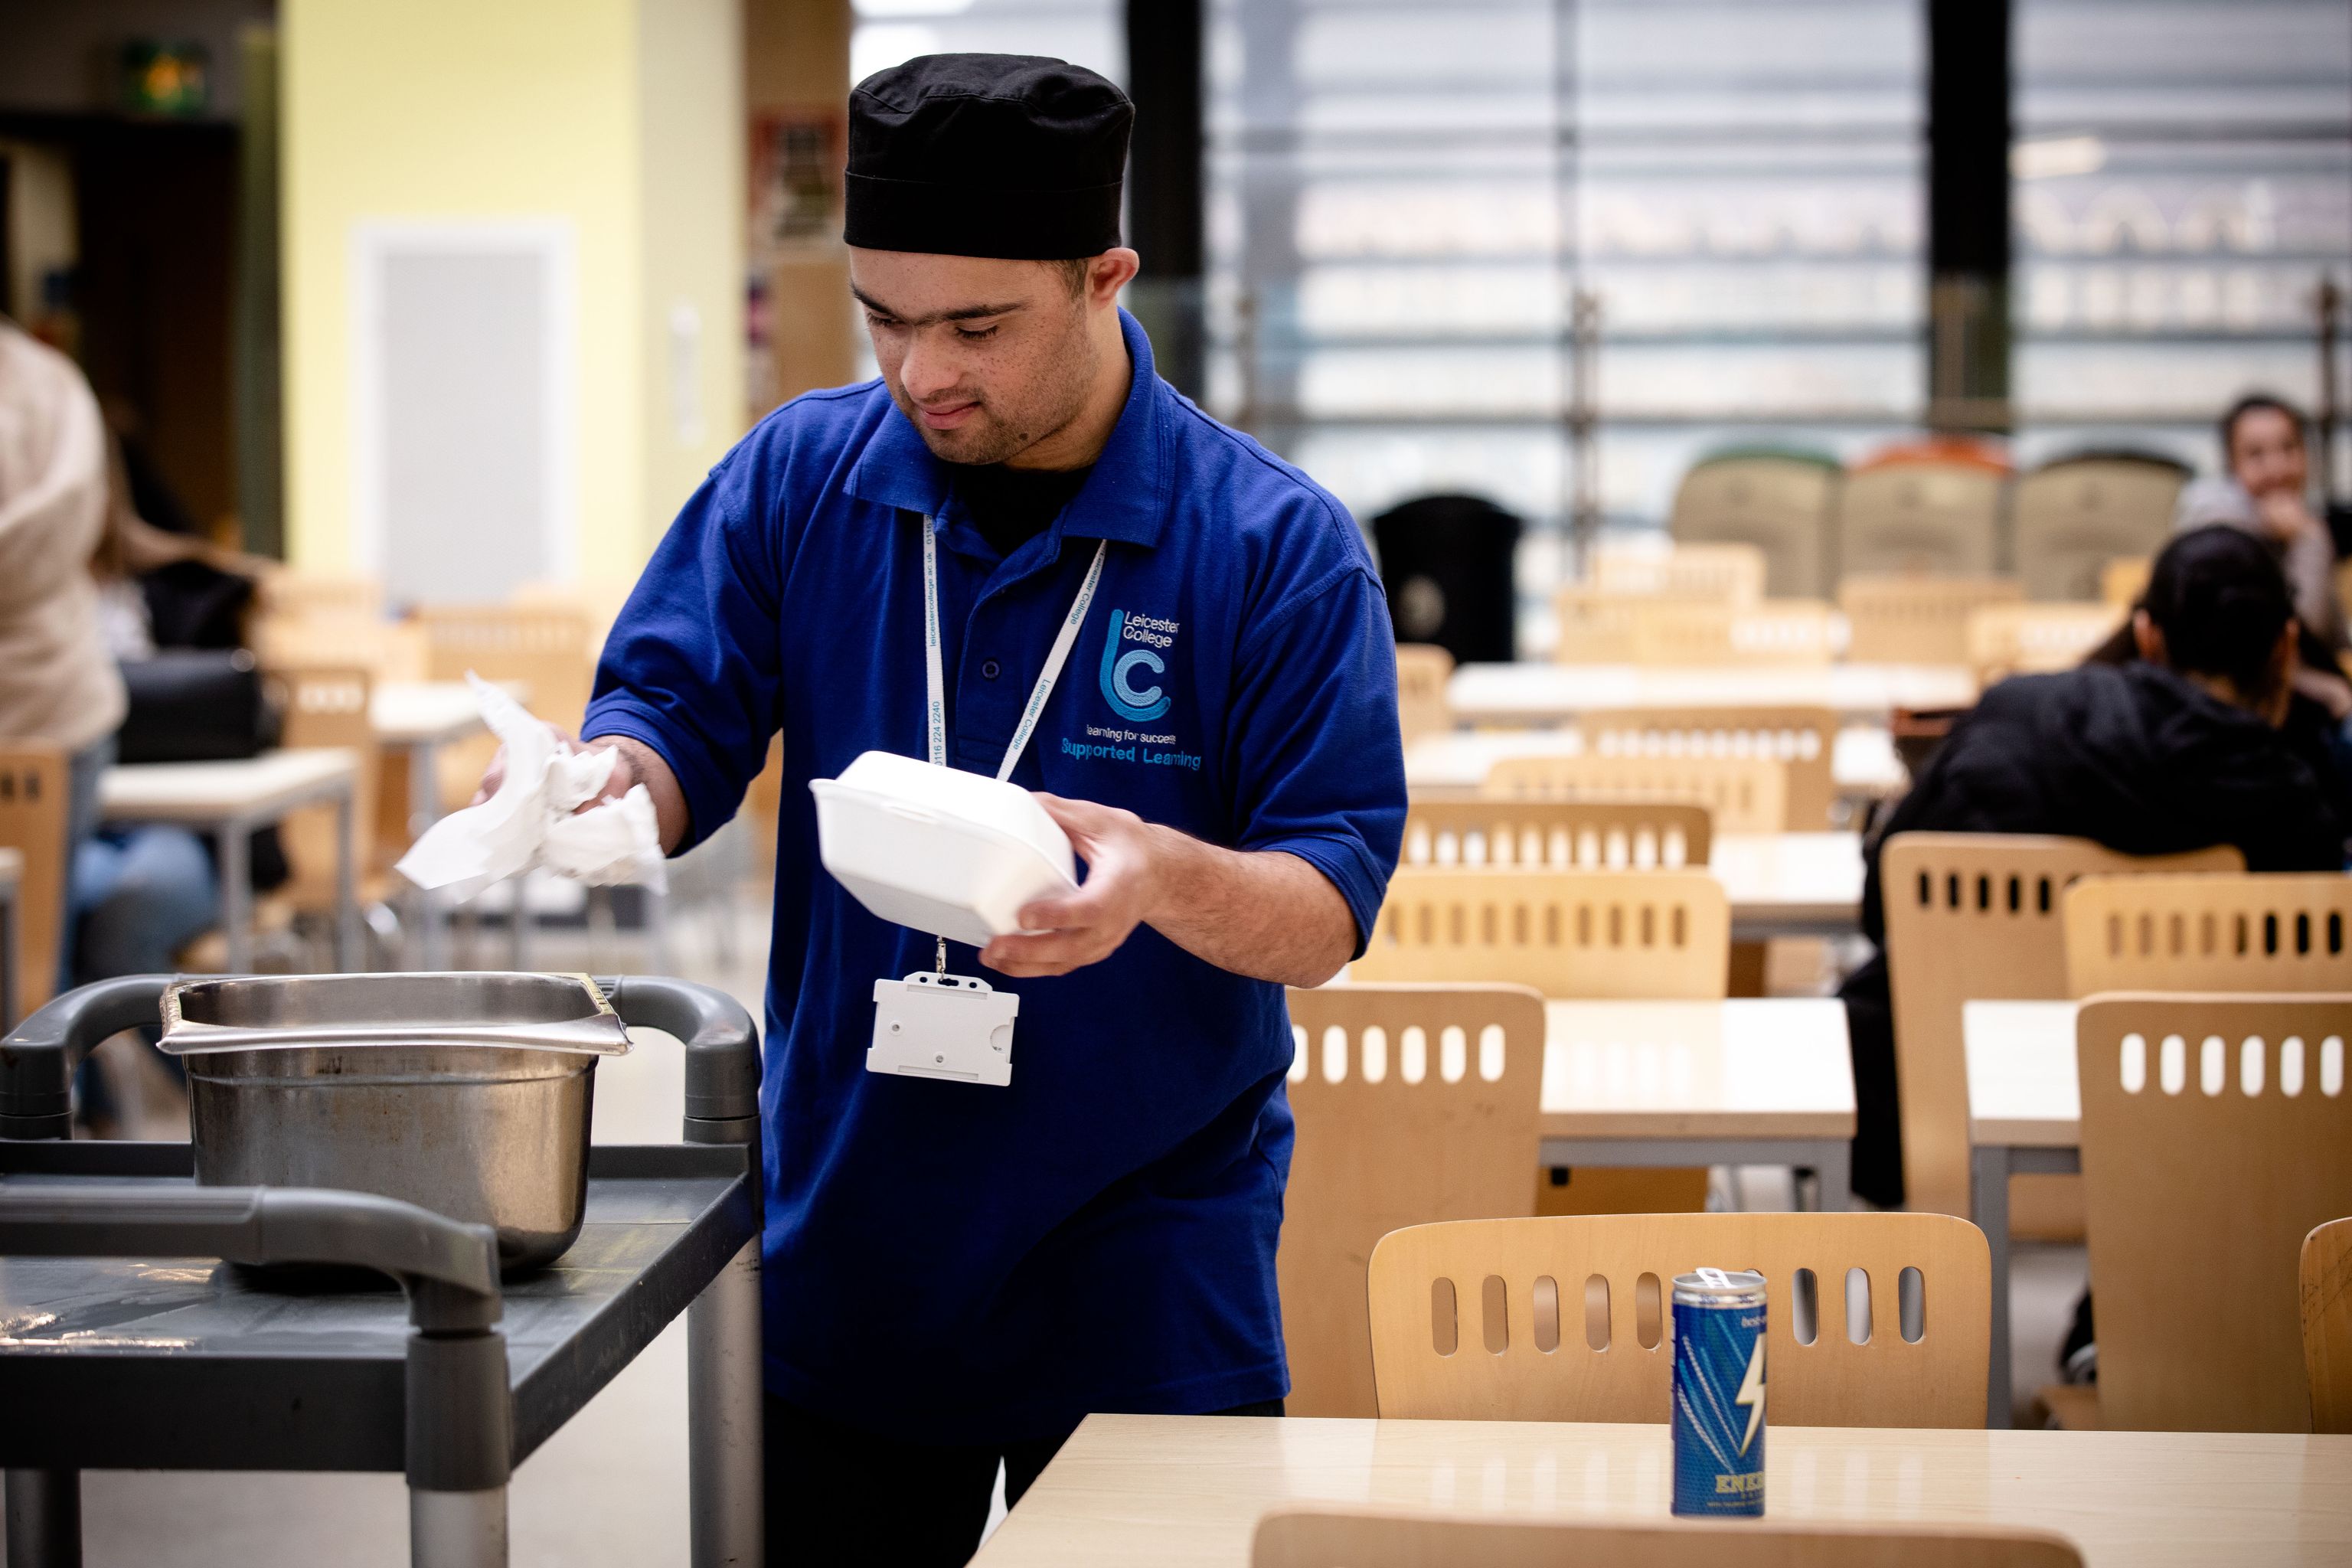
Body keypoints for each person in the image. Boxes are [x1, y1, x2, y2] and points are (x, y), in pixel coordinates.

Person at [539, 55, 1403, 1566]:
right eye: (885, 317)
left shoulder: (1273, 545)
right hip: (857, 1234)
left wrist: (1162, 880)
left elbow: (1326, 908)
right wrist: (611, 785)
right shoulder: (803, 479)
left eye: (976, 326)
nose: (920, 372)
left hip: (1149, 1262)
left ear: (1105, 278)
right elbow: (676, 711)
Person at [1838, 524, 2347, 1207]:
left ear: (2146, 635)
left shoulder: (2013, 718)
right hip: (2183, 1163)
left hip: (1944, 1121)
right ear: (2285, 646)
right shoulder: (2289, 806)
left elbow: (1881, 909)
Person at [0, 312, 129, 991]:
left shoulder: (42, 382)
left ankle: (56, 1098)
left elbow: (58, 525)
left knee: (34, 957)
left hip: (51, 702)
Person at [2175, 392, 2349, 648]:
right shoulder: (2217, 530)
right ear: (2232, 465)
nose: (2277, 469)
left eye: (2289, 448)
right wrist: (2310, 540)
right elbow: (2298, 643)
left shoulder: (2301, 518)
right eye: (2256, 454)